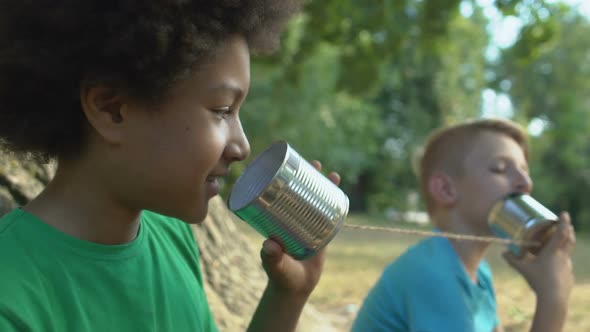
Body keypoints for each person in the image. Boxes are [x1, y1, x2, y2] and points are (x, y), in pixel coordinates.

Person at [0, 1, 341, 331]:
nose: (242, 146)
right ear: (112, 109)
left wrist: (288, 297)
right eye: (222, 110)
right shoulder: (11, 299)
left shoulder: (172, 236)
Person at [351, 118, 575, 332]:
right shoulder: (433, 275)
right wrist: (554, 299)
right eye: (499, 168)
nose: (526, 183)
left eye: (524, 170)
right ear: (446, 190)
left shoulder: (479, 273)